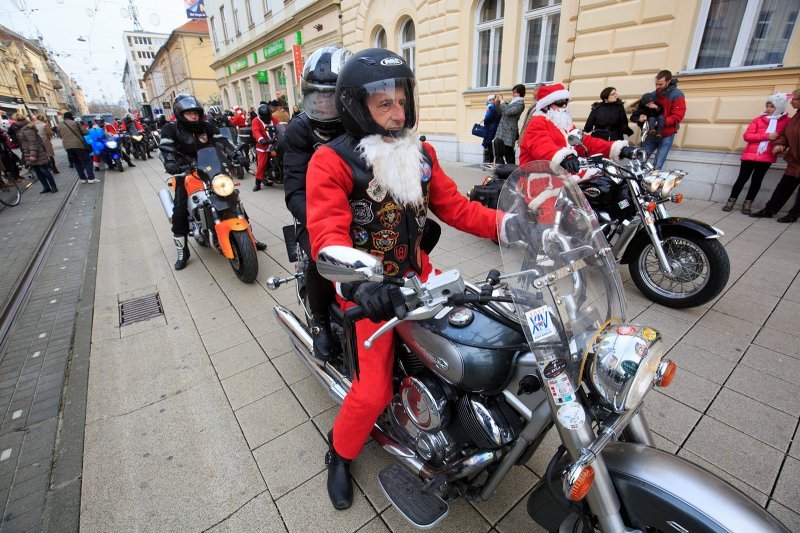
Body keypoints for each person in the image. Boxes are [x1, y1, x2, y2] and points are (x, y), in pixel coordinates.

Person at [305, 48, 504, 511]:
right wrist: (362, 285)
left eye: (401, 100)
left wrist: (511, 225)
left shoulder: (424, 154)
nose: (397, 113)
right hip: (366, 288)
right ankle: (338, 453)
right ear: (357, 107)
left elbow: (458, 209)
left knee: (478, 338)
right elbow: (327, 236)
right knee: (372, 391)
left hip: (421, 276)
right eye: (383, 104)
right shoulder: (331, 162)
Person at [284, 44, 352, 361]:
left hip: (359, 209)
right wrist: (320, 222)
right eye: (317, 96)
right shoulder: (300, 129)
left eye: (330, 96)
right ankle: (320, 322)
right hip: (316, 213)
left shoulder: (359, 123)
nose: (323, 104)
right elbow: (294, 190)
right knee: (319, 255)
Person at [159, 94, 262, 270]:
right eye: (189, 113)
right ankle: (183, 251)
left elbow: (222, 141)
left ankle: (249, 235)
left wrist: (236, 154)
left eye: (195, 112)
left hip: (210, 170)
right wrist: (170, 162)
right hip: (186, 172)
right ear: (180, 114)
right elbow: (166, 147)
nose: (193, 116)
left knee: (233, 198)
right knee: (179, 211)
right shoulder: (171, 129)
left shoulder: (207, 127)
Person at [519, 83, 635, 170]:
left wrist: (618, 149)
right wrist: (565, 158)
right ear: (546, 105)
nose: (564, 105)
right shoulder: (537, 122)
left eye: (566, 102)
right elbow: (541, 145)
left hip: (561, 176)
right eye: (559, 102)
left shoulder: (564, 124)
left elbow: (585, 142)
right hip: (538, 176)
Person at [723, 93, 790, 214]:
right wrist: (767, 136)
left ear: (779, 108)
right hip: (749, 156)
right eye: (767, 106)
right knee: (741, 179)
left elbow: (785, 137)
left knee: (757, 181)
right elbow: (747, 136)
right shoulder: (758, 120)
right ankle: (731, 201)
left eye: (772, 106)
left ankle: (748, 203)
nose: (768, 109)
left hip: (766, 157)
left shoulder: (786, 122)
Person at [752, 89, 800, 223]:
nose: (792, 101)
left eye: (795, 99)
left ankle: (793, 214)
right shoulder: (796, 117)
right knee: (783, 186)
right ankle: (770, 210)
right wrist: (780, 144)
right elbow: (785, 133)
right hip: (794, 161)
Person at [639, 70, 685, 169]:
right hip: (652, 134)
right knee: (639, 162)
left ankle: (651, 184)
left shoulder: (677, 95)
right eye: (656, 84)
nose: (657, 87)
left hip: (667, 136)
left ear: (668, 82)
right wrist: (641, 117)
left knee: (658, 165)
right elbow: (643, 110)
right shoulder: (652, 95)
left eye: (660, 84)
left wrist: (660, 122)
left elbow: (678, 116)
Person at [13, 112, 57, 193]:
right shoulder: (21, 129)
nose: (14, 122)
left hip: (35, 152)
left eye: (15, 120)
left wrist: (33, 154)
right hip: (28, 153)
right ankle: (46, 187)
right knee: (37, 171)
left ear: (17, 120)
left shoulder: (27, 128)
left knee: (43, 170)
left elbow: (33, 142)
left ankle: (53, 186)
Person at [60, 112, 98, 184]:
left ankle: (82, 179)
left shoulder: (60, 125)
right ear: (71, 117)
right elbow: (86, 132)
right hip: (78, 145)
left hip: (67, 146)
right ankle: (91, 178)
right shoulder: (75, 123)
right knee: (88, 161)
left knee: (76, 162)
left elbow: (60, 135)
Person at [492, 85, 525, 164]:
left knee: (508, 153)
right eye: (512, 92)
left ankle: (511, 171)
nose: (512, 94)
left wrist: (502, 101)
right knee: (498, 151)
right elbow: (501, 112)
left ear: (520, 93)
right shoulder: (513, 101)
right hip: (502, 129)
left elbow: (508, 112)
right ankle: (501, 169)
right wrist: (497, 102)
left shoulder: (520, 104)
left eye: (514, 92)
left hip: (509, 131)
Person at [250, 102, 274, 191]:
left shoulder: (273, 119)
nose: (267, 118)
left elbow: (280, 126)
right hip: (263, 146)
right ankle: (258, 183)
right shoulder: (256, 121)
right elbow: (256, 131)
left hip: (275, 144)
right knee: (262, 165)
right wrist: (261, 139)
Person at [481, 94, 501, 164]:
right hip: (490, 129)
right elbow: (486, 118)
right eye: (491, 100)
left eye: (493, 99)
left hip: (491, 129)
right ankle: (490, 161)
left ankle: (491, 161)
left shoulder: (493, 108)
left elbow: (487, 119)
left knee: (490, 146)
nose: (492, 101)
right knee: (490, 146)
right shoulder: (490, 107)